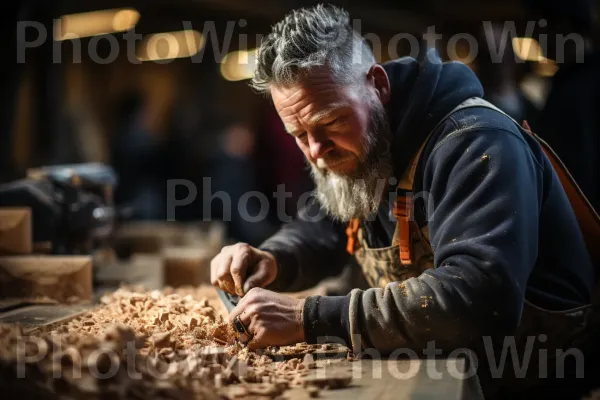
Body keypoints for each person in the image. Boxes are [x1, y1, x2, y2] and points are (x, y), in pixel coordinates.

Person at [210, 5, 599, 399]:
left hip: (530, 382)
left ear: (377, 85)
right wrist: (273, 259)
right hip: (443, 371)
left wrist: (307, 317)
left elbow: (479, 297)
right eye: (298, 133)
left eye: (330, 122)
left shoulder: (476, 143)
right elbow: (324, 227)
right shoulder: (359, 145)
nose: (314, 150)